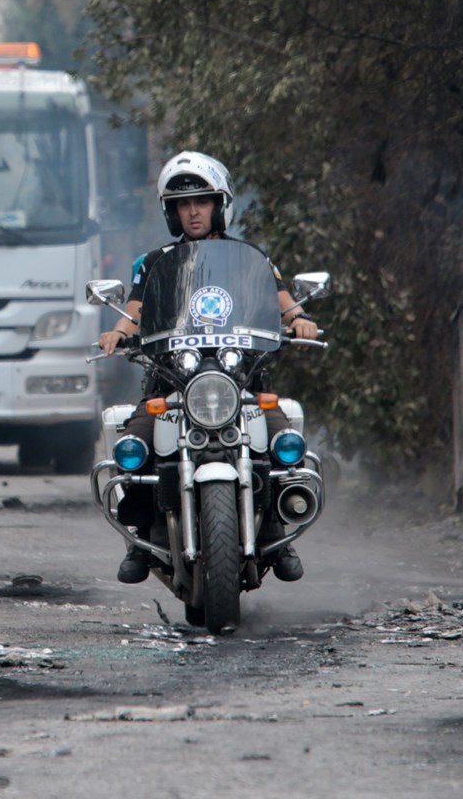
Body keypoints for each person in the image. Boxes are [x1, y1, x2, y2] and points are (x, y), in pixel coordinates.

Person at [97, 151, 321, 586]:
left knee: (281, 441)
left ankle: (278, 532)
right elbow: (135, 311)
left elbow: (283, 302)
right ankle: (142, 539)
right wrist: (117, 331)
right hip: (172, 381)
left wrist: (299, 319)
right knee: (135, 448)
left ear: (219, 205)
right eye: (183, 204)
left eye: (201, 201)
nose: (193, 211)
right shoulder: (155, 262)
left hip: (241, 382)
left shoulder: (250, 257)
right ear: (172, 212)